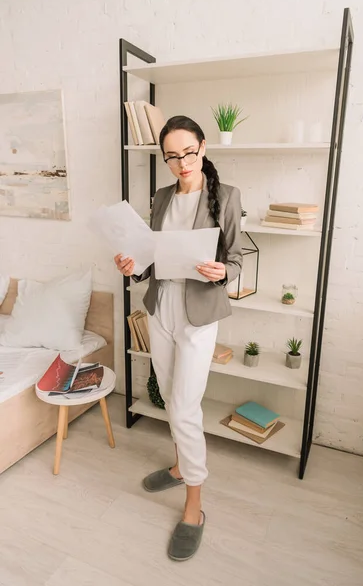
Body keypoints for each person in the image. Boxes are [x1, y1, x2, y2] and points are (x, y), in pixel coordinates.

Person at [114, 115, 242, 561]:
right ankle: (178, 465)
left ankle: (194, 505)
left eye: (188, 152)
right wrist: (134, 266)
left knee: (185, 406)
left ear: (203, 148)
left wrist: (224, 270)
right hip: (160, 307)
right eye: (171, 155)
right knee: (170, 396)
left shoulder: (225, 196)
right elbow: (152, 256)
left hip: (199, 313)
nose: (181, 162)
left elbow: (238, 257)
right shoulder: (163, 196)